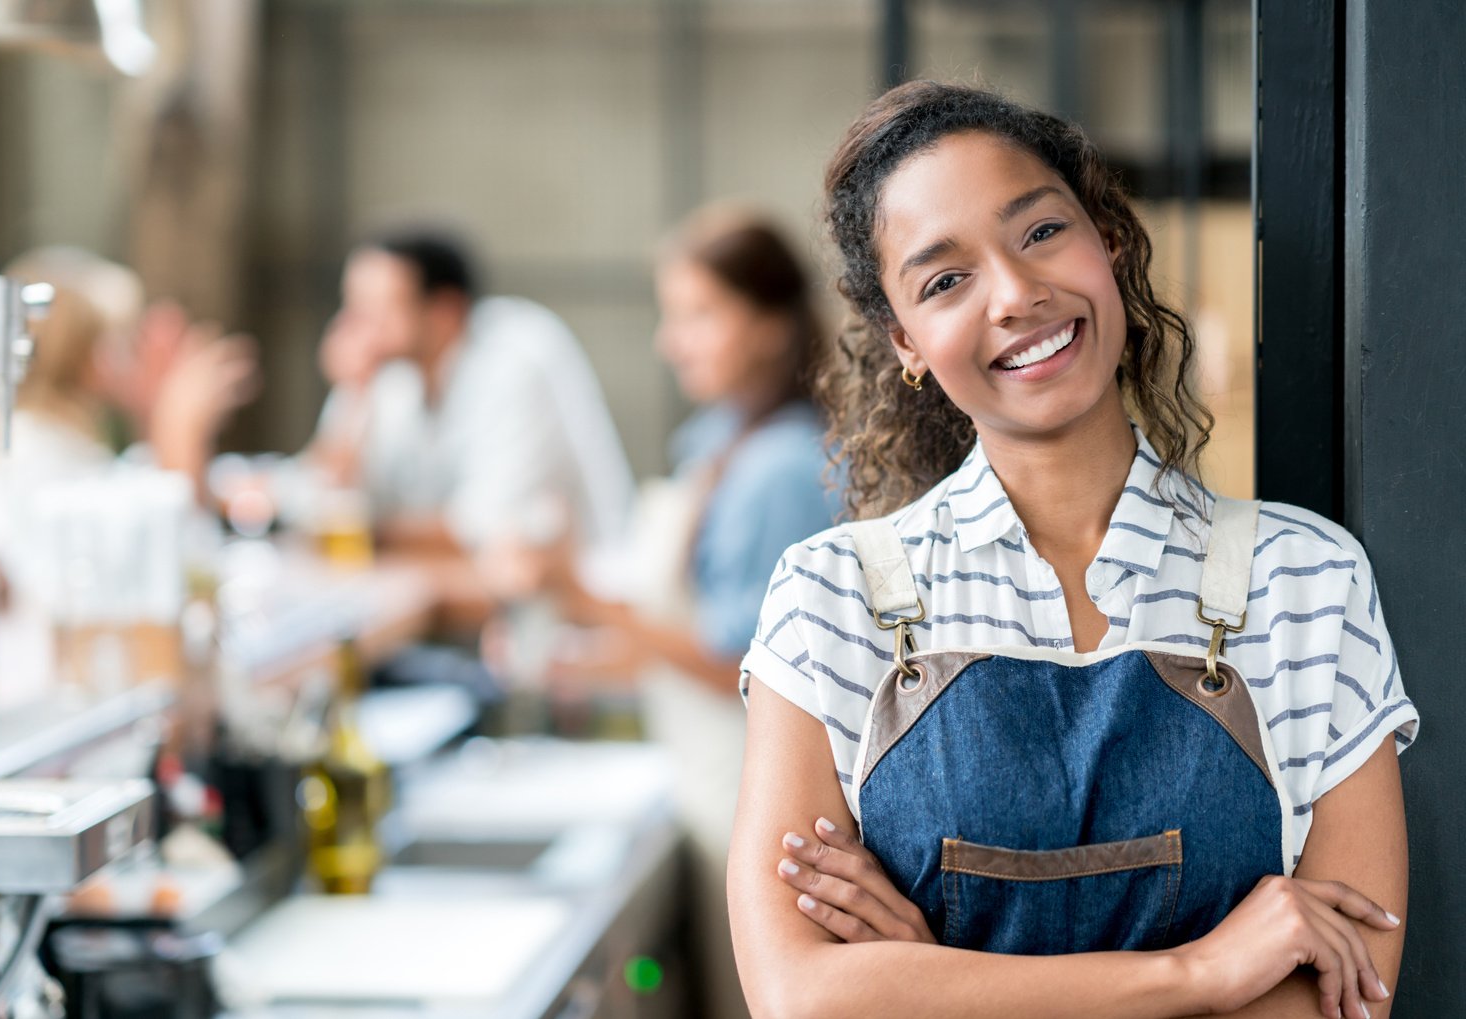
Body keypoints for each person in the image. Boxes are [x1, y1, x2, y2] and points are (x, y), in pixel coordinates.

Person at [728, 82, 1417, 1019]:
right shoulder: (830, 598)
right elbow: (802, 998)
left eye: (1042, 232)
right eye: (944, 280)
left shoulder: (1305, 581)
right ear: (906, 341)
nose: (1017, 294)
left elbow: (1344, 1002)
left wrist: (935, 984)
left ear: (1110, 240)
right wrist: (1201, 972)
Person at [536, 207, 837, 1019]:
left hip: (757, 795)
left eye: (700, 315)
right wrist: (581, 656)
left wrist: (580, 595)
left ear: (772, 326)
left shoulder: (779, 468)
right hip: (710, 785)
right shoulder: (719, 443)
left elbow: (742, 666)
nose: (674, 342)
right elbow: (696, 629)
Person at [307, 229, 633, 565]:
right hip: (465, 581)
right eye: (352, 306)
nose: (352, 326)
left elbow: (481, 529)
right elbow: (330, 494)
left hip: (573, 595)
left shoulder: (517, 359)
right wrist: (353, 394)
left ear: (445, 311)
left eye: (376, 308)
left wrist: (350, 529)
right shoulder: (393, 376)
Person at [0, 246, 260, 584]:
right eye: (125, 339)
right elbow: (175, 577)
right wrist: (178, 431)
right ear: (88, 357)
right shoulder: (30, 451)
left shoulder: (64, 444)